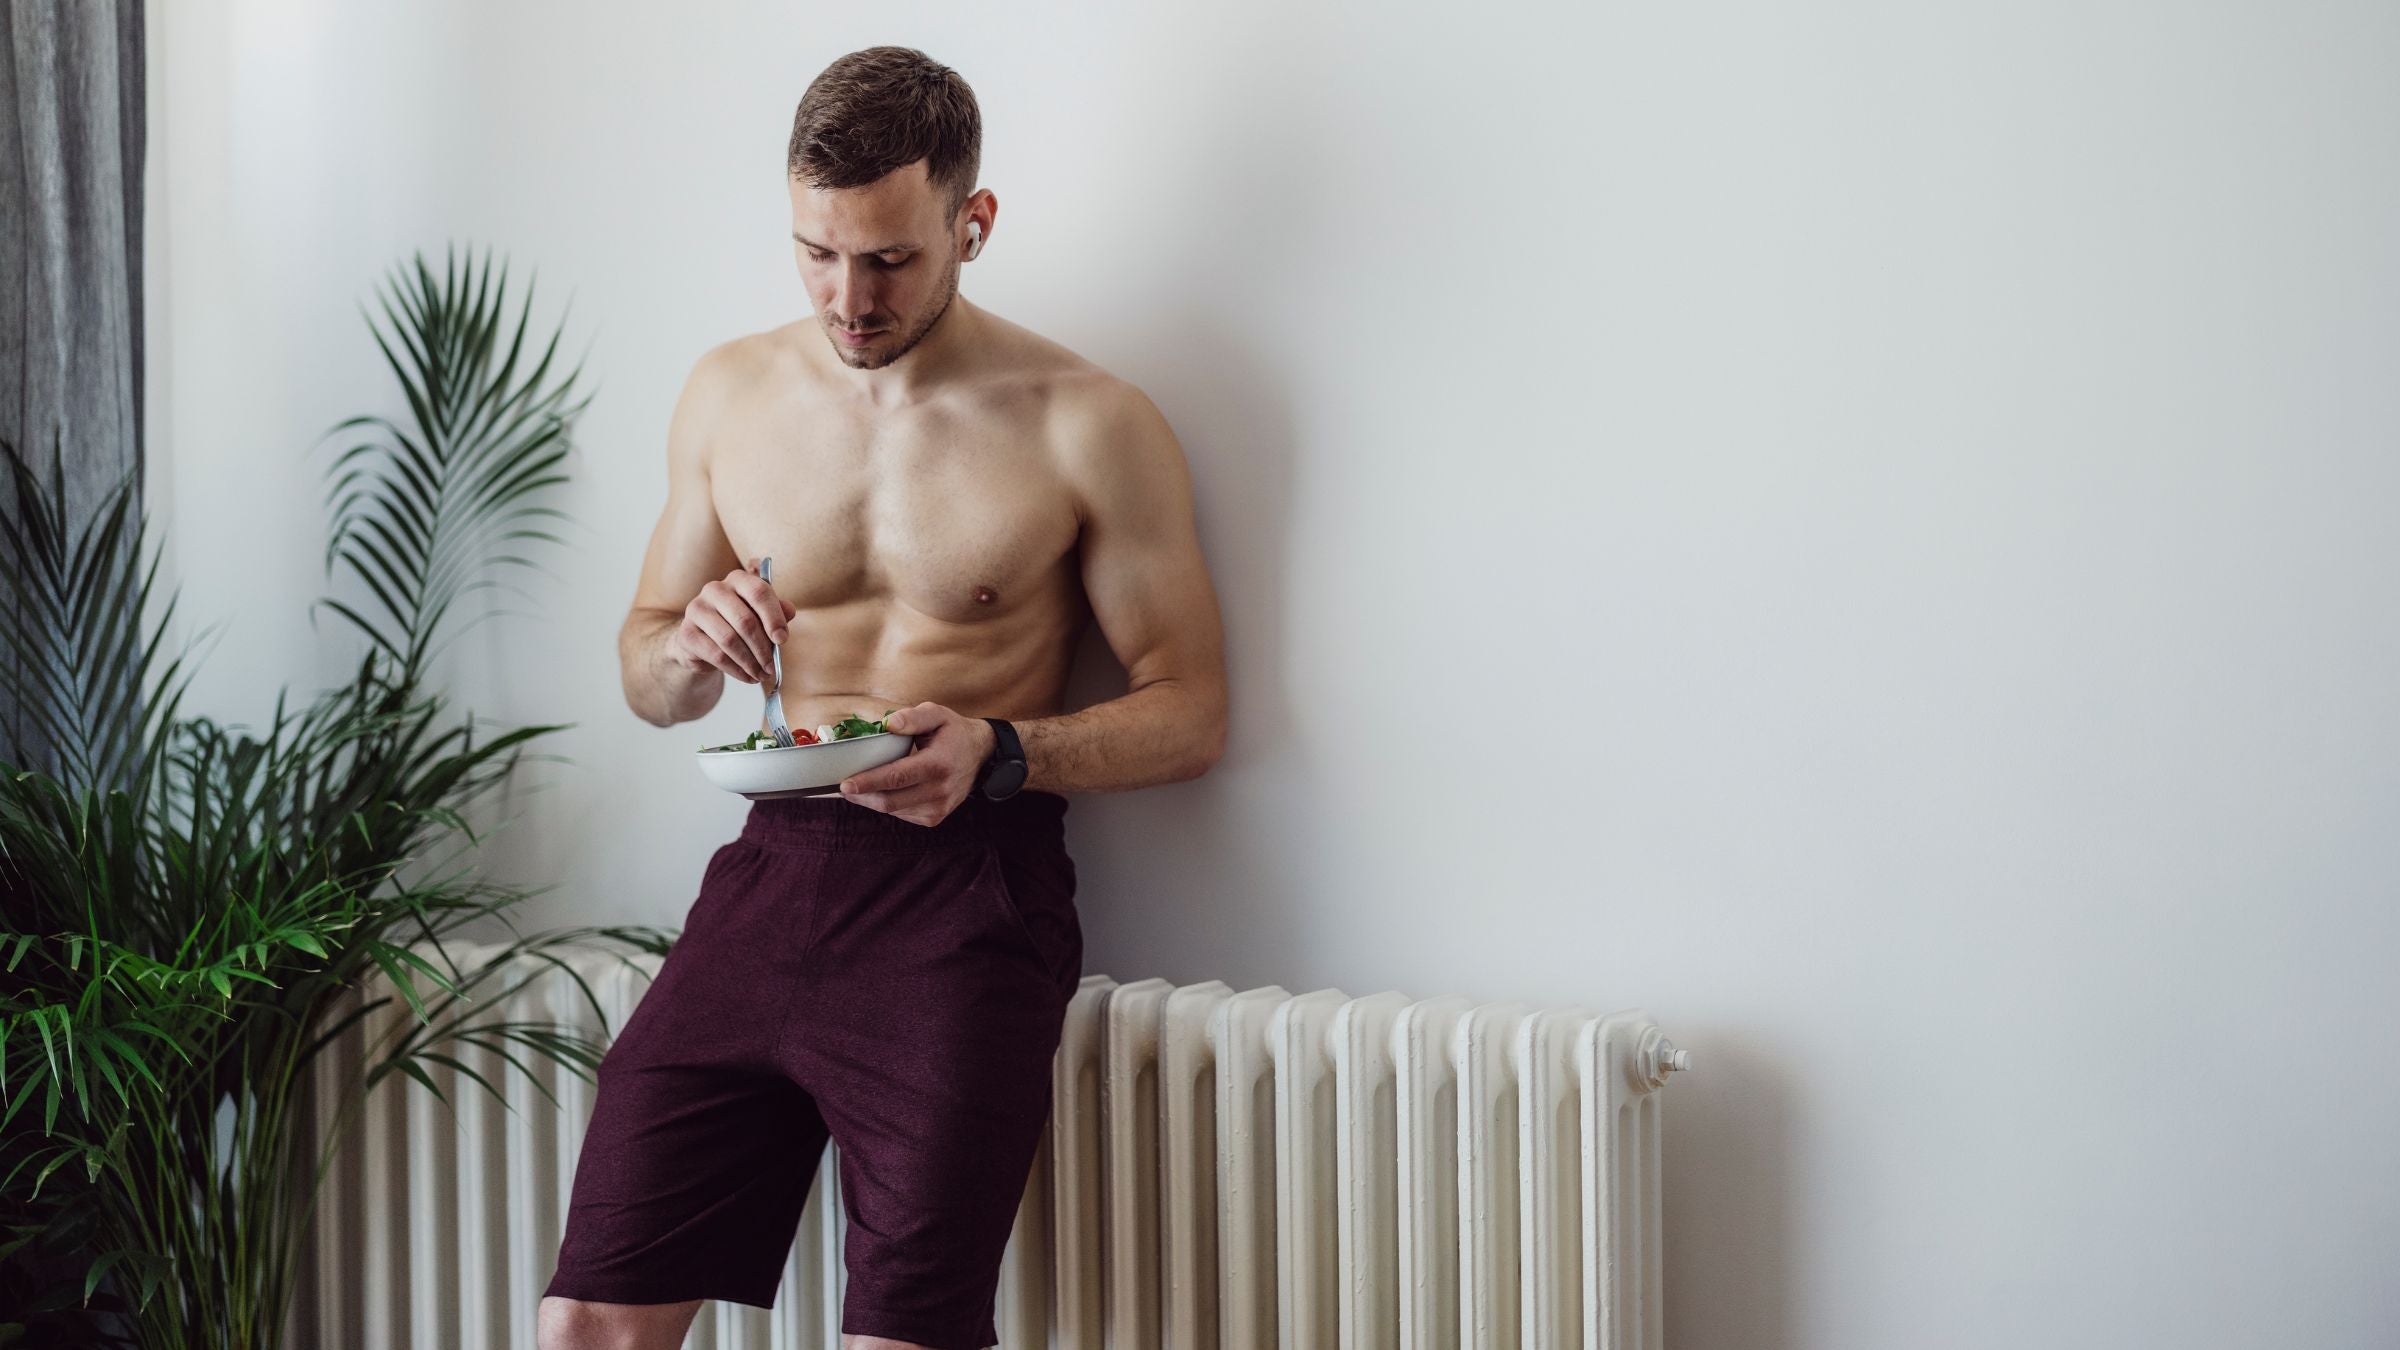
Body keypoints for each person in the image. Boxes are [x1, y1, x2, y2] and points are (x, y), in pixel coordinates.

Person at [535, 44, 1229, 1350]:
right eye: (816, 252)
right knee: (584, 1322)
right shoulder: (730, 393)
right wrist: (689, 644)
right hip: (767, 878)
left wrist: (1004, 748)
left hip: (969, 892)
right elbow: (645, 675)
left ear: (973, 224)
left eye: (890, 260)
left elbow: (1192, 709)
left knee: (899, 1336)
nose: (848, 298)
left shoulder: (1087, 421)